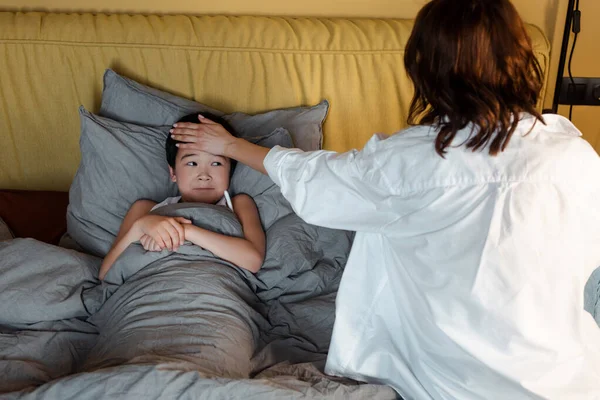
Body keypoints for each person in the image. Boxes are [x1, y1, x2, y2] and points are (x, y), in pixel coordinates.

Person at [169, 0, 600, 398]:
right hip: (568, 382)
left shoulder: (413, 162)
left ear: (424, 69)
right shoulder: (575, 155)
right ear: (520, 59)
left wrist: (233, 146)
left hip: (452, 386)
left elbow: (316, 181)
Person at [98, 113, 265, 281]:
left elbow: (253, 261)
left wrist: (184, 231)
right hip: (151, 286)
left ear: (229, 172)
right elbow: (105, 274)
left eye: (216, 163)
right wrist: (140, 227)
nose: (204, 175)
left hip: (214, 287)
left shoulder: (239, 204)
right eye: (192, 163)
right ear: (173, 172)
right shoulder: (145, 209)